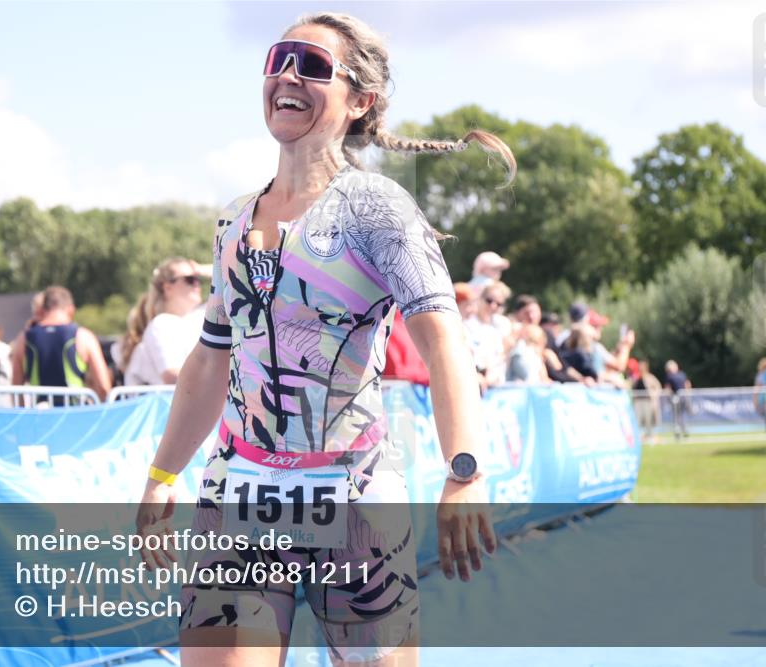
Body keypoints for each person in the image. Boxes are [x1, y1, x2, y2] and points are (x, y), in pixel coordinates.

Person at [134, 12, 514, 665]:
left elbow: (445, 343)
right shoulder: (232, 221)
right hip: (242, 490)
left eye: (311, 65)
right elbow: (209, 362)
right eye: (279, 58)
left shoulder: (378, 209)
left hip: (355, 491)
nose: (287, 73)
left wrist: (465, 471)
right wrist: (164, 472)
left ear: (358, 100)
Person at [10, 285, 112, 403]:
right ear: (71, 309)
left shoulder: (24, 338)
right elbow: (104, 387)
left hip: (40, 416)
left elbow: (16, 390)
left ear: (43, 310)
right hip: (74, 416)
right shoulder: (83, 337)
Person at [119, 257, 208, 385]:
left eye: (198, 278)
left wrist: (201, 269)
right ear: (168, 288)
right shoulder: (161, 325)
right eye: (190, 279)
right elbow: (172, 376)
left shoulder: (197, 317)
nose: (197, 284)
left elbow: (234, 276)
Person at [632, 360, 662, 443]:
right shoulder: (636, 378)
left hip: (648, 402)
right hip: (638, 402)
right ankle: (639, 436)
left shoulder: (650, 377)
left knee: (649, 420)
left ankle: (650, 436)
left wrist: (653, 395)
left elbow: (658, 388)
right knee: (638, 420)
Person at [663, 360, 692, 440]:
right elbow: (668, 388)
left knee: (681, 415)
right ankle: (678, 432)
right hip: (675, 398)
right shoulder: (670, 376)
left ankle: (683, 430)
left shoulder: (681, 374)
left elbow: (687, 384)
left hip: (682, 397)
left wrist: (688, 393)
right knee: (677, 416)